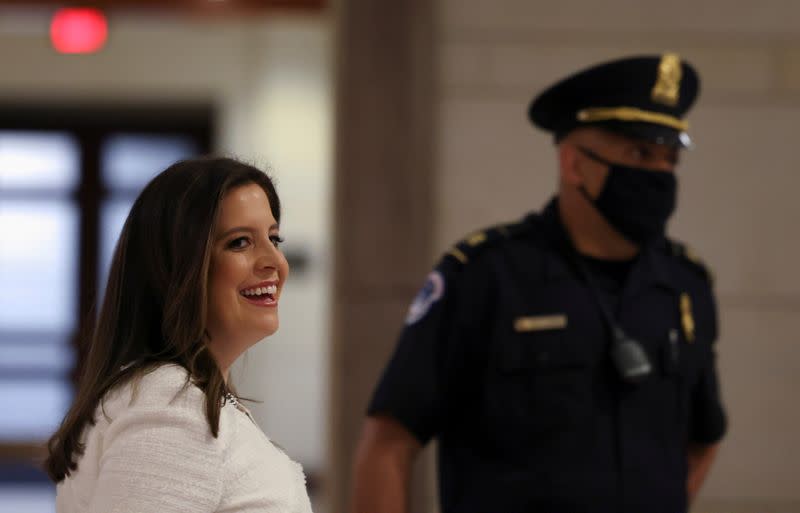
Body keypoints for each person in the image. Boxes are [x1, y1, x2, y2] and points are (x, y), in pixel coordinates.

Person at [352, 54, 727, 513]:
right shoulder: (486, 275)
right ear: (574, 164)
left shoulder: (685, 286)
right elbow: (389, 444)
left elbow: (703, 441)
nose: (660, 174)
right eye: (639, 153)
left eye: (670, 158)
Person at [46, 157, 313, 513]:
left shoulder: (174, 396)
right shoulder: (171, 406)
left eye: (273, 238)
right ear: (177, 268)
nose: (275, 262)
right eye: (239, 243)